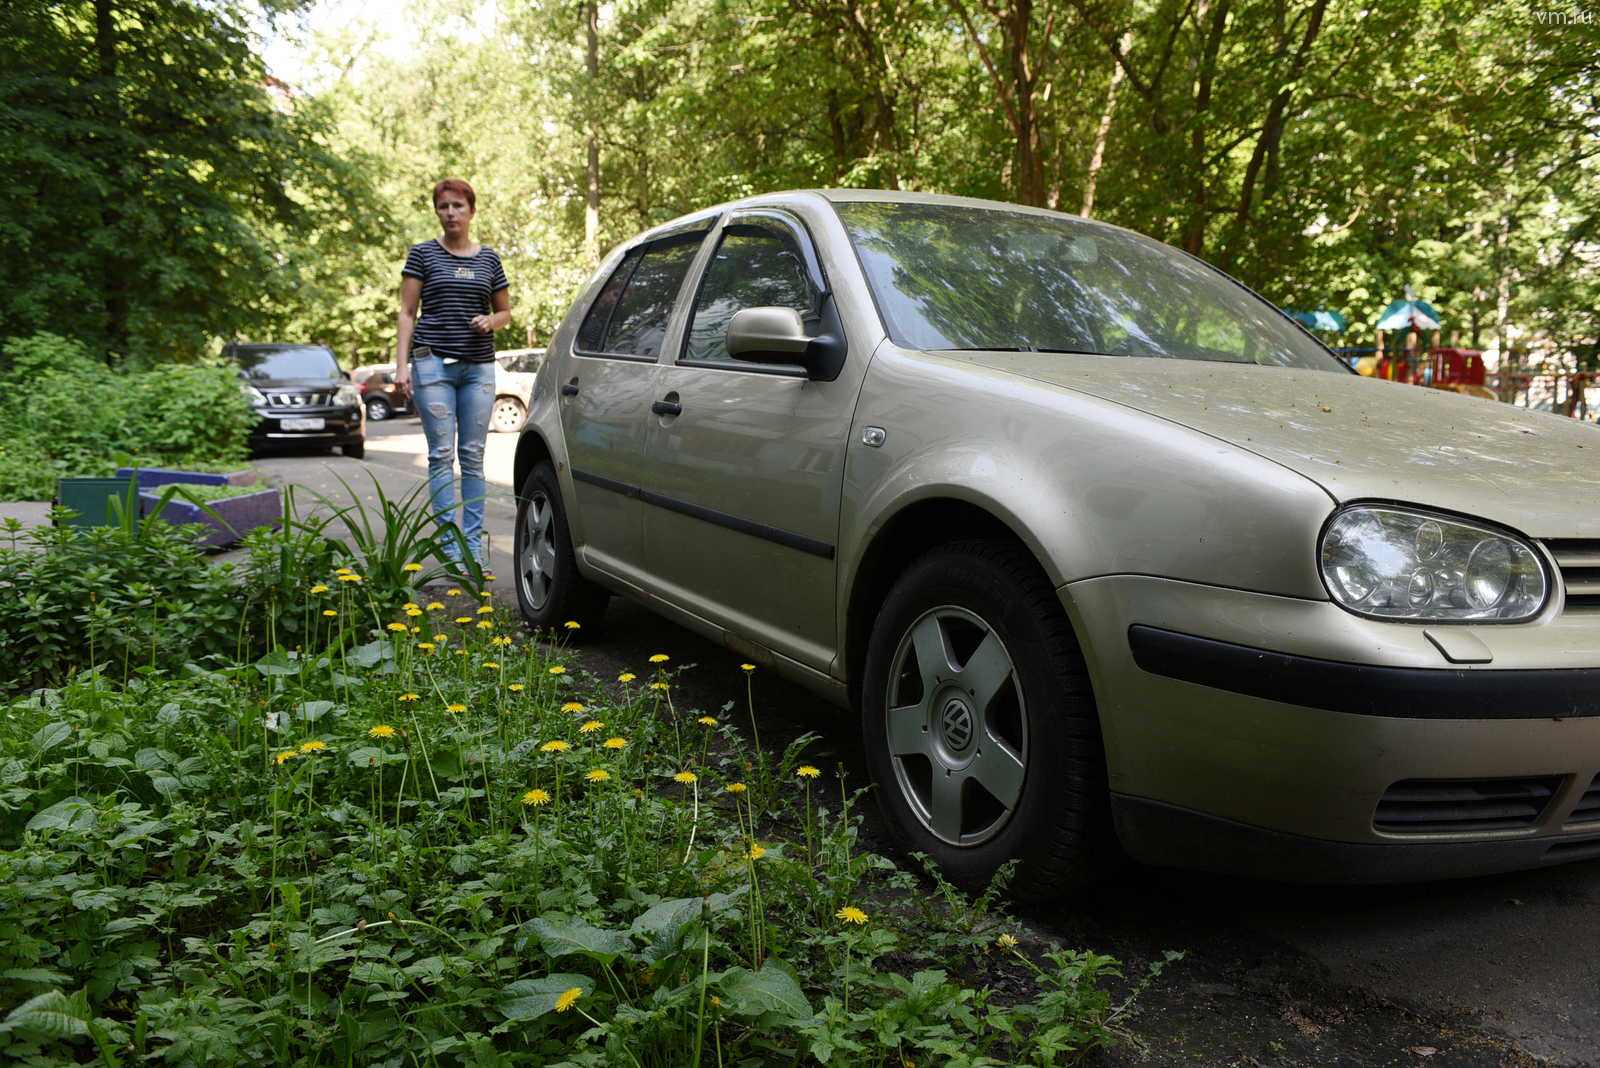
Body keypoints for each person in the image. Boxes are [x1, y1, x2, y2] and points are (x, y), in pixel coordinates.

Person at [395, 178, 511, 566]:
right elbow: (407, 313)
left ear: (471, 210)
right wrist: (400, 366)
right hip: (431, 366)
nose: (451, 213)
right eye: (444, 207)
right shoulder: (423, 255)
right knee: (442, 455)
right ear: (437, 212)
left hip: (478, 368)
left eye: (458, 206)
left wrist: (490, 322)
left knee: (474, 456)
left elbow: (505, 312)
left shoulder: (489, 259)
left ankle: (472, 547)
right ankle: (449, 549)